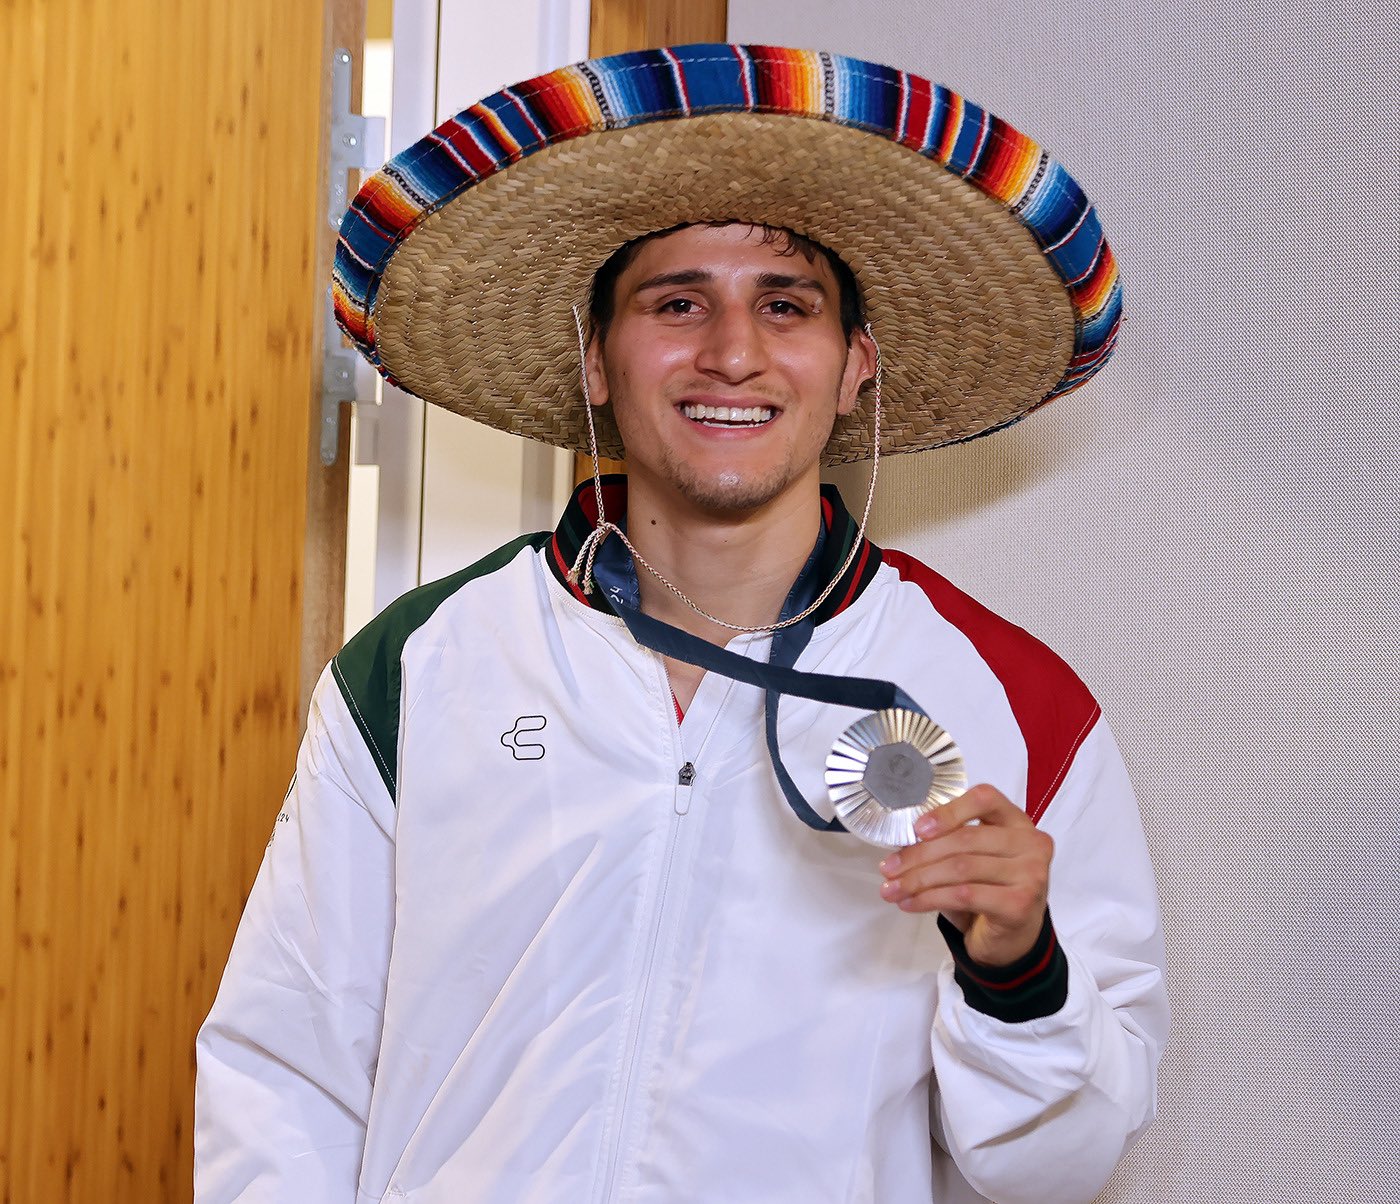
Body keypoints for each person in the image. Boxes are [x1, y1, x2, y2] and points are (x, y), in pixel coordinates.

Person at [196, 44, 1168, 1204]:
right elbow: (284, 1071)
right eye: (676, 302)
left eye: (786, 305)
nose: (732, 353)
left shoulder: (1009, 705)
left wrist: (1017, 966)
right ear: (597, 358)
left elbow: (1056, 1171)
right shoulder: (420, 663)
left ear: (854, 365)